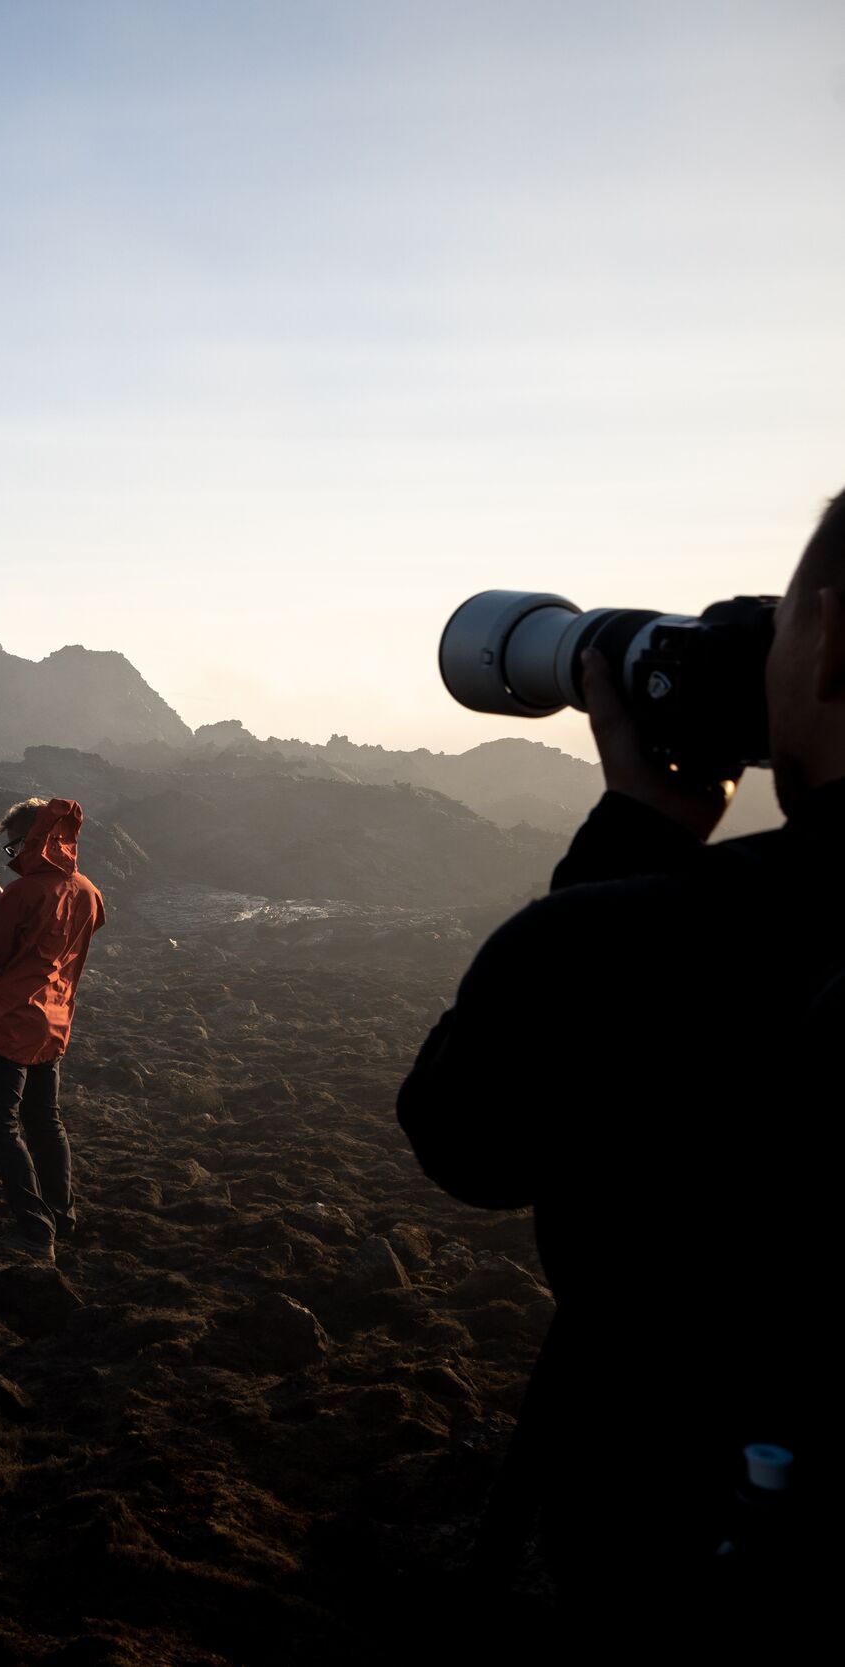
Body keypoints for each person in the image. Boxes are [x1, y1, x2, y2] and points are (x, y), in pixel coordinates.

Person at [396, 494, 840, 1646]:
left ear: (832, 643)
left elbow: (463, 1137)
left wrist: (635, 838)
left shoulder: (613, 947)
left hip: (691, 1532)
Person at [0, 797, 105, 1259]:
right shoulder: (88, 891)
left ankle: (34, 1232)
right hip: (55, 1023)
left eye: (11, 848)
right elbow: (48, 933)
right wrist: (3, 904)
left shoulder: (25, 893)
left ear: (30, 841)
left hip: (12, 1024)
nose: (11, 857)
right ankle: (61, 1216)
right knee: (45, 1121)